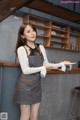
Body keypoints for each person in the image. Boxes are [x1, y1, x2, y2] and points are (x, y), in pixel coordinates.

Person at [14, 20, 75, 120]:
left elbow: (46, 64)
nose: (32, 33)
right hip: (25, 86)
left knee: (34, 117)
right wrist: (43, 68)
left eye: (33, 30)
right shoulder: (21, 49)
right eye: (28, 31)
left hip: (37, 85)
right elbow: (25, 70)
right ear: (23, 36)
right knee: (26, 116)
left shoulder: (40, 47)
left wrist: (62, 63)